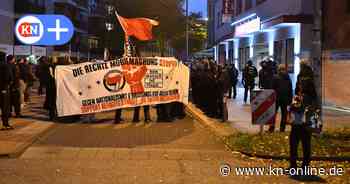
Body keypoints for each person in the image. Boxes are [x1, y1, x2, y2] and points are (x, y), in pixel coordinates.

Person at [289, 59, 317, 171]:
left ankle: (293, 164)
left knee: (294, 141)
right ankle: (305, 164)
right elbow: (314, 95)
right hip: (307, 117)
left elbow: (295, 95)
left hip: (298, 118)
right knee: (306, 141)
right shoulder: (311, 77)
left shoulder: (300, 78)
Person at [269, 64, 293, 132]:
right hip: (285, 99)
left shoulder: (275, 77)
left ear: (278, 70)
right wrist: (290, 100)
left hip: (276, 99)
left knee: (273, 114)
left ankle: (271, 128)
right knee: (284, 114)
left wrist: (271, 99)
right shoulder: (288, 78)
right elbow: (290, 89)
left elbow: (272, 88)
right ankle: (282, 129)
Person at [0, 52, 13, 130]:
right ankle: (5, 124)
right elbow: (9, 78)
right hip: (4, 89)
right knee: (5, 108)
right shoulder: (6, 65)